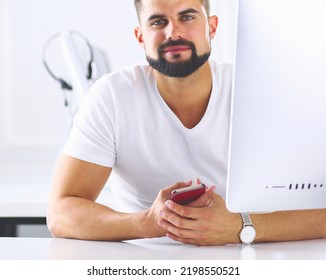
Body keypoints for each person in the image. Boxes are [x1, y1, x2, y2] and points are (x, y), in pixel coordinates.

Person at [47, 0, 326, 245]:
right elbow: (60, 213)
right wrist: (145, 223)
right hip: (149, 262)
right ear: (140, 36)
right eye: (158, 21)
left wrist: (240, 227)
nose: (174, 32)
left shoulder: (262, 89)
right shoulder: (112, 96)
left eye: (187, 16)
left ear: (212, 27)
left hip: (252, 252)